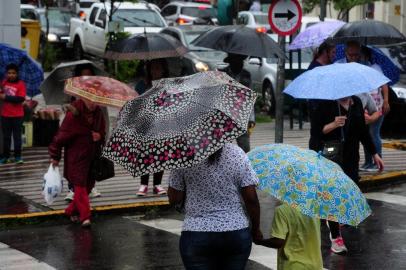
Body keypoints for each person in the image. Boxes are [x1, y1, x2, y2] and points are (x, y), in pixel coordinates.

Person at [168, 143, 262, 269]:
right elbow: (251, 198)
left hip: (196, 232)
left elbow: (174, 198)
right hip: (235, 232)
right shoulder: (238, 153)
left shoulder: (183, 155)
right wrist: (255, 229)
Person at [311, 95, 384, 254]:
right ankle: (336, 238)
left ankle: (335, 221)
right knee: (332, 195)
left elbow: (363, 132)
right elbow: (316, 132)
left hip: (351, 158)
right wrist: (333, 124)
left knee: (346, 193)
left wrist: (374, 153)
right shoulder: (326, 103)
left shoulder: (356, 102)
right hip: (331, 157)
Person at [49, 98, 106, 227]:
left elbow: (103, 131)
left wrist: (99, 136)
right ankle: (85, 217)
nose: (93, 103)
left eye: (95, 100)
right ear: (83, 98)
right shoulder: (72, 115)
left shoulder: (98, 113)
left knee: (89, 186)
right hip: (76, 157)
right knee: (80, 186)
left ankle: (70, 211)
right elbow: (60, 138)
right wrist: (55, 156)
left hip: (93, 156)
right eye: (90, 100)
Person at [65, 64, 102, 201]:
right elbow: (67, 107)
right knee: (74, 161)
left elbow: (100, 114)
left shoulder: (97, 90)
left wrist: (101, 134)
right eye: (83, 74)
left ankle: (91, 186)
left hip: (91, 132)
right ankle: (71, 188)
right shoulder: (72, 89)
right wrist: (68, 108)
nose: (86, 77)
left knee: (91, 160)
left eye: (89, 74)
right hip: (75, 133)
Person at [136, 59, 169, 196]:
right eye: (153, 68)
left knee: (159, 154)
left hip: (162, 124)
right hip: (145, 124)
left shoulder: (167, 85)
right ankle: (143, 184)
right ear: (149, 70)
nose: (156, 71)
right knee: (145, 154)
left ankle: (157, 184)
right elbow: (136, 103)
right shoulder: (142, 85)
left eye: (158, 68)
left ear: (163, 70)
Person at [256, 203, 323, 270]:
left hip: (292, 265)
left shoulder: (282, 210)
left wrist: (260, 241)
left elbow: (278, 242)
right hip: (315, 265)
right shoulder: (315, 209)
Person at [359, 47, 390, 172]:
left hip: (377, 105)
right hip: (365, 104)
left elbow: (384, 85)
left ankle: (377, 161)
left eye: (361, 55)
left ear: (367, 56)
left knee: (373, 133)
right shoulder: (358, 69)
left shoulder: (375, 68)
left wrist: (386, 101)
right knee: (366, 134)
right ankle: (368, 162)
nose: (360, 57)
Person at [222, 53, 255, 153]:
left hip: (242, 114)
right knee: (223, 148)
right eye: (235, 61)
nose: (239, 63)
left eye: (240, 61)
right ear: (230, 62)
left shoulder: (246, 75)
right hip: (225, 114)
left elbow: (250, 97)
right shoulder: (222, 74)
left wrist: (251, 118)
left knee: (245, 147)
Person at [307, 41, 336, 151]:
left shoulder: (330, 66)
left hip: (330, 105)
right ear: (325, 52)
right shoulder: (314, 68)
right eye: (333, 52)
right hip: (317, 106)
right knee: (317, 133)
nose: (334, 55)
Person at [0, 63, 26, 164]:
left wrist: (5, 97)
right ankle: (6, 156)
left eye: (13, 73)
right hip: (5, 115)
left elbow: (20, 99)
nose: (11, 75)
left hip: (17, 116)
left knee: (17, 137)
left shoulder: (21, 84)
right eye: (9, 73)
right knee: (6, 137)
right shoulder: (4, 82)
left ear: (17, 74)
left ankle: (18, 156)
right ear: (6, 74)